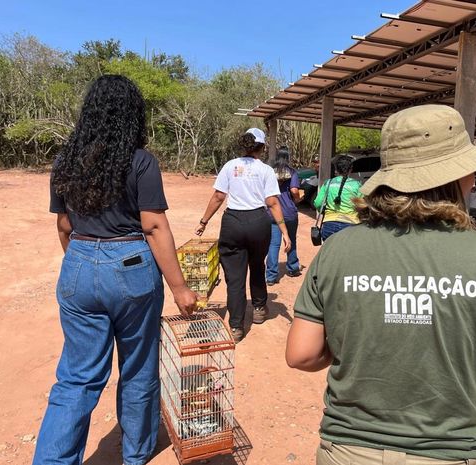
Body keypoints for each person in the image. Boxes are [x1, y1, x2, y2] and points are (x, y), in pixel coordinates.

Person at [286, 105, 476, 465]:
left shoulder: (339, 249)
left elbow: (301, 354)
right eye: (474, 170)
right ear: (454, 177)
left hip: (346, 452)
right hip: (446, 455)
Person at [34, 75, 198, 465]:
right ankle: (136, 454)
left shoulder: (64, 161)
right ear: (131, 115)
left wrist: (83, 262)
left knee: (76, 377)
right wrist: (180, 289)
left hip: (78, 261)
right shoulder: (140, 161)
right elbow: (154, 226)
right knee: (139, 368)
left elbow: (63, 227)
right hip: (131, 269)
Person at [195, 128, 291, 342]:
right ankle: (258, 308)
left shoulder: (230, 166)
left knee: (235, 277)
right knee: (257, 265)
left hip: (233, 223)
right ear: (262, 147)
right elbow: (273, 202)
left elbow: (219, 196)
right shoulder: (265, 170)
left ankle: (236, 327)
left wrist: (204, 221)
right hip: (259, 222)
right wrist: (285, 232)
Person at [266, 147, 302, 285]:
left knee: (273, 244)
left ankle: (271, 276)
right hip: (289, 213)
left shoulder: (270, 173)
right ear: (288, 158)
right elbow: (294, 190)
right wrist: (297, 198)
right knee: (291, 240)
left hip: (273, 214)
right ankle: (293, 268)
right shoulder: (292, 172)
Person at [313, 155, 362, 241]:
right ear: (351, 169)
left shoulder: (328, 183)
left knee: (330, 253)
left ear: (336, 169)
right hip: (350, 225)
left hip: (329, 225)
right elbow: (362, 206)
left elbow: (318, 203)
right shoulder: (357, 185)